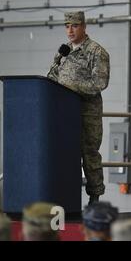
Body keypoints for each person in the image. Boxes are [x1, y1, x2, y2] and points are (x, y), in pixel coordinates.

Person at [47, 11, 110, 205]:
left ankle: (94, 197)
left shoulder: (96, 51)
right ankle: (67, 197)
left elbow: (99, 83)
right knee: (65, 153)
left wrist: (71, 88)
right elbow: (52, 76)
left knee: (89, 154)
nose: (70, 30)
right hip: (64, 113)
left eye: (74, 26)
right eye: (67, 26)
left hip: (86, 113)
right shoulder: (63, 51)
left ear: (84, 27)